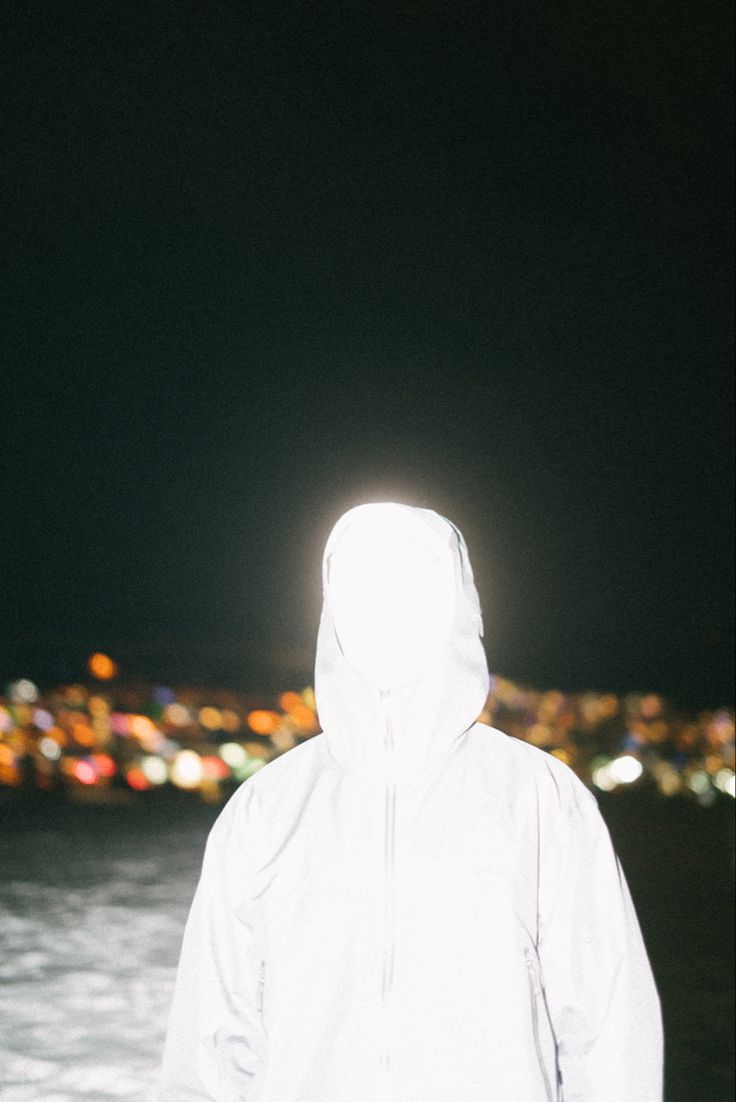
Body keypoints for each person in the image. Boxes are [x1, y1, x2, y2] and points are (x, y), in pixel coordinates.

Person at [158, 501, 663, 1101]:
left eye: (409, 584)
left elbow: (606, 1025)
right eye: (364, 585)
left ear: (454, 604)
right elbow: (211, 1041)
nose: (385, 607)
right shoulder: (267, 808)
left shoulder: (540, 797)